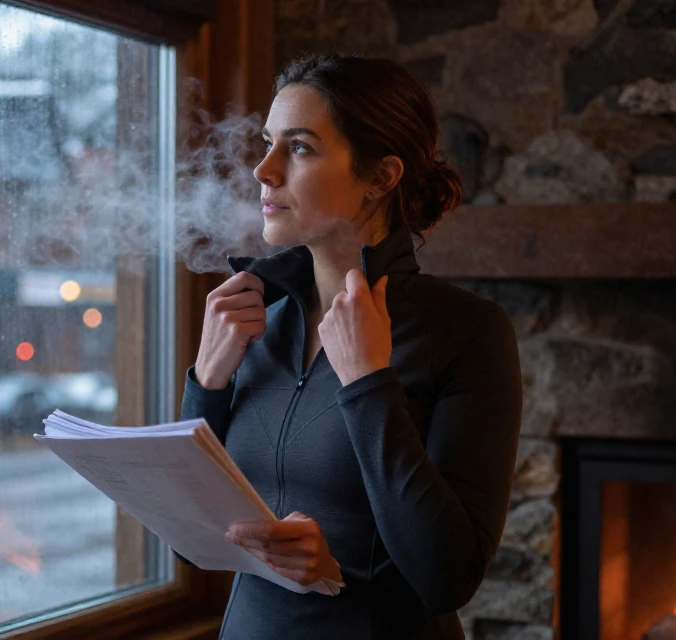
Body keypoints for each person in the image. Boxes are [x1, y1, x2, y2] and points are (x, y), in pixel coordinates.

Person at [179, 53, 523, 640]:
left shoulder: (468, 332)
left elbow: (447, 578)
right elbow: (192, 546)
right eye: (268, 142)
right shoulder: (257, 323)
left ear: (380, 178)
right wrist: (205, 386)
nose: (264, 169)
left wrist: (368, 385)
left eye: (301, 147)